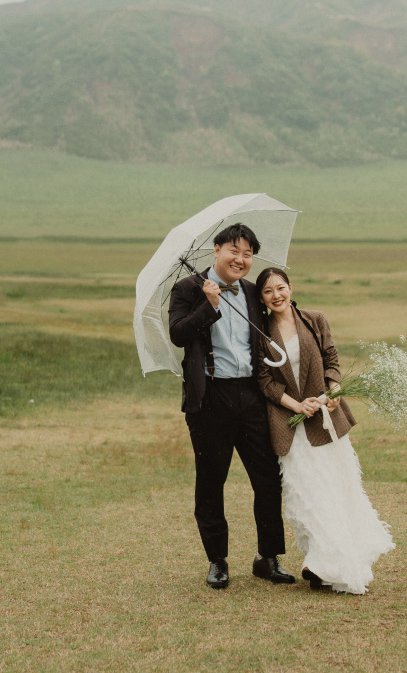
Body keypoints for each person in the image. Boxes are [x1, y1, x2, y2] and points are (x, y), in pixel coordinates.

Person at [168, 222, 296, 590]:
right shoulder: (187, 289)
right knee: (211, 482)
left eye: (247, 253)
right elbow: (178, 334)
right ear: (217, 250)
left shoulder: (255, 292)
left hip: (252, 396)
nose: (240, 259)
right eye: (233, 251)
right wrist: (208, 306)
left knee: (269, 478)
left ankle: (267, 557)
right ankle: (217, 561)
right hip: (209, 399)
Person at [255, 266, 395, 594]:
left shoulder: (314, 319)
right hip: (290, 424)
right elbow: (263, 381)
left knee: (335, 487)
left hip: (325, 421)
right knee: (307, 491)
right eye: (267, 291)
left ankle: (328, 563)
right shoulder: (260, 332)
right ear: (261, 299)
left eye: (280, 288)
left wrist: (333, 390)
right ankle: (318, 560)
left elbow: (331, 358)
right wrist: (296, 406)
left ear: (291, 288)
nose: (276, 295)